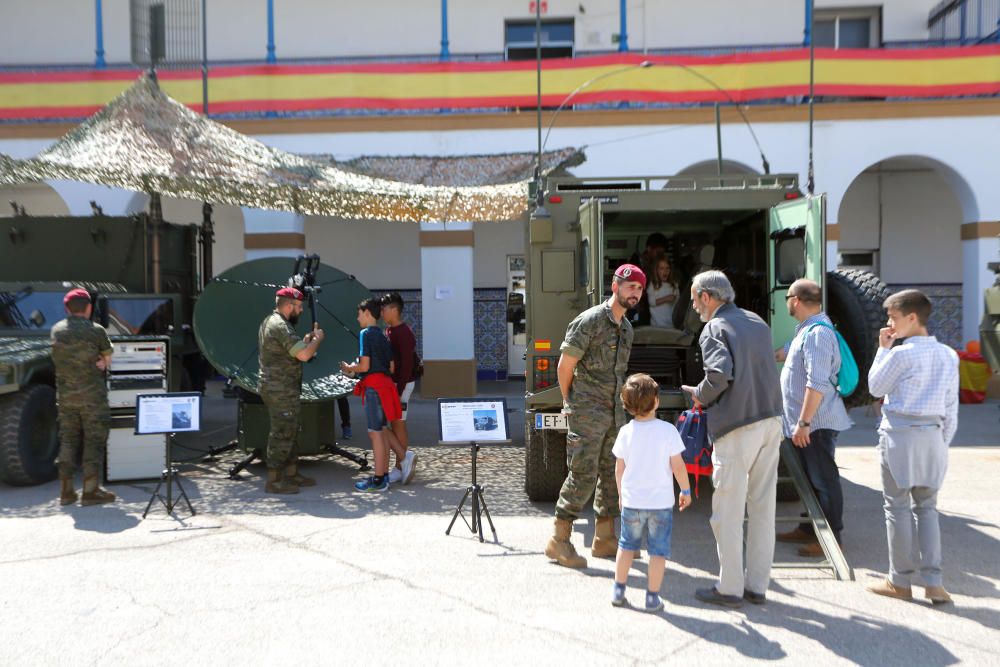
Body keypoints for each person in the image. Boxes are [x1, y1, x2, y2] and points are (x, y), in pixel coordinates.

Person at [680, 270, 783, 608]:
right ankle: (757, 586)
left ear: (707, 297)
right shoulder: (756, 322)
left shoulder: (714, 328)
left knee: (727, 512)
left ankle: (730, 588)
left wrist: (697, 394)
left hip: (737, 428)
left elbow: (719, 375)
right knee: (762, 509)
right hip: (771, 421)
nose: (694, 307)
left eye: (695, 300)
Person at [544, 263, 645, 569]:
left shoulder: (626, 329)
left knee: (613, 474)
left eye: (639, 288)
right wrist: (569, 402)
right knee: (582, 475)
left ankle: (604, 538)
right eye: (630, 287)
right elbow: (565, 366)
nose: (635, 293)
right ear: (614, 287)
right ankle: (558, 541)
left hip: (615, 414)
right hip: (587, 413)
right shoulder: (589, 321)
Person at [866, 289, 958, 605]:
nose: (889, 324)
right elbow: (951, 406)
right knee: (927, 509)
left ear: (911, 317)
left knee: (897, 508)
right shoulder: (949, 355)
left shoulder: (900, 354)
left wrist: (882, 350)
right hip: (933, 434)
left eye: (892, 317)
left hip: (899, 435)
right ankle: (934, 582)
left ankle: (899, 581)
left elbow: (875, 387)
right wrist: (942, 442)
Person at [777, 279, 853, 557]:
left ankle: (832, 541)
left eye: (787, 297)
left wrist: (804, 422)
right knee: (810, 481)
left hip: (815, 424)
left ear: (795, 299)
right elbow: (783, 354)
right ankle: (809, 529)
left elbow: (817, 382)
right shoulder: (807, 331)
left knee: (823, 480)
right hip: (807, 423)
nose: (786, 301)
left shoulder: (818, 334)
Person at [611, 373, 692, 611]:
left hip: (632, 501)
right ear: (656, 401)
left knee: (626, 546)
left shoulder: (625, 432)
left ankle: (618, 589)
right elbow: (678, 466)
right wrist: (685, 489)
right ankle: (652, 597)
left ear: (627, 405)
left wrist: (620, 495)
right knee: (657, 552)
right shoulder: (668, 431)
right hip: (660, 504)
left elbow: (619, 469)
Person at [50, 287, 115, 506]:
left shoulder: (57, 330)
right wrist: (100, 361)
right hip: (92, 398)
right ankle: (90, 491)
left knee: (68, 439)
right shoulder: (96, 330)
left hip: (66, 397)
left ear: (66, 309)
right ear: (88, 308)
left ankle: (66, 492)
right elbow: (107, 359)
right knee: (93, 441)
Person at [258, 287, 324, 494]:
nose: (301, 311)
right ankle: (274, 480)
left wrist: (305, 342)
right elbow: (304, 356)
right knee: (282, 433)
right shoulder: (280, 325)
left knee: (291, 430)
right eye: (299, 307)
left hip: (282, 388)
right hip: (280, 389)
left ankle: (291, 473)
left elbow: (293, 351)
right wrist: (317, 340)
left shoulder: (275, 322)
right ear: (289, 305)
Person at [341, 297, 404, 493]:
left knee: (375, 433)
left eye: (359, 314)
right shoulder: (384, 336)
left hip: (374, 388)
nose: (358, 318)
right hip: (385, 387)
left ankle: (378, 480)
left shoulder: (365, 334)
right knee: (381, 431)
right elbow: (392, 367)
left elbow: (365, 366)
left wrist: (351, 368)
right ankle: (382, 474)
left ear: (367, 313)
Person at [381, 292, 418, 485]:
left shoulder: (404, 333)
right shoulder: (390, 331)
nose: (381, 312)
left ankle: (402, 462)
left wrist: (398, 390)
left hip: (401, 385)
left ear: (395, 310)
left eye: (384, 308)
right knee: (395, 423)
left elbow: (406, 365)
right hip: (394, 384)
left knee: (398, 423)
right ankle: (399, 466)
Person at [646, 254, 679, 329]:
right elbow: (651, 302)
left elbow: (678, 304)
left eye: (667, 268)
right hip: (656, 325)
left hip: (671, 325)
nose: (665, 271)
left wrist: (675, 298)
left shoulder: (674, 285)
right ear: (656, 270)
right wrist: (666, 298)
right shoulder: (653, 285)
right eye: (661, 268)